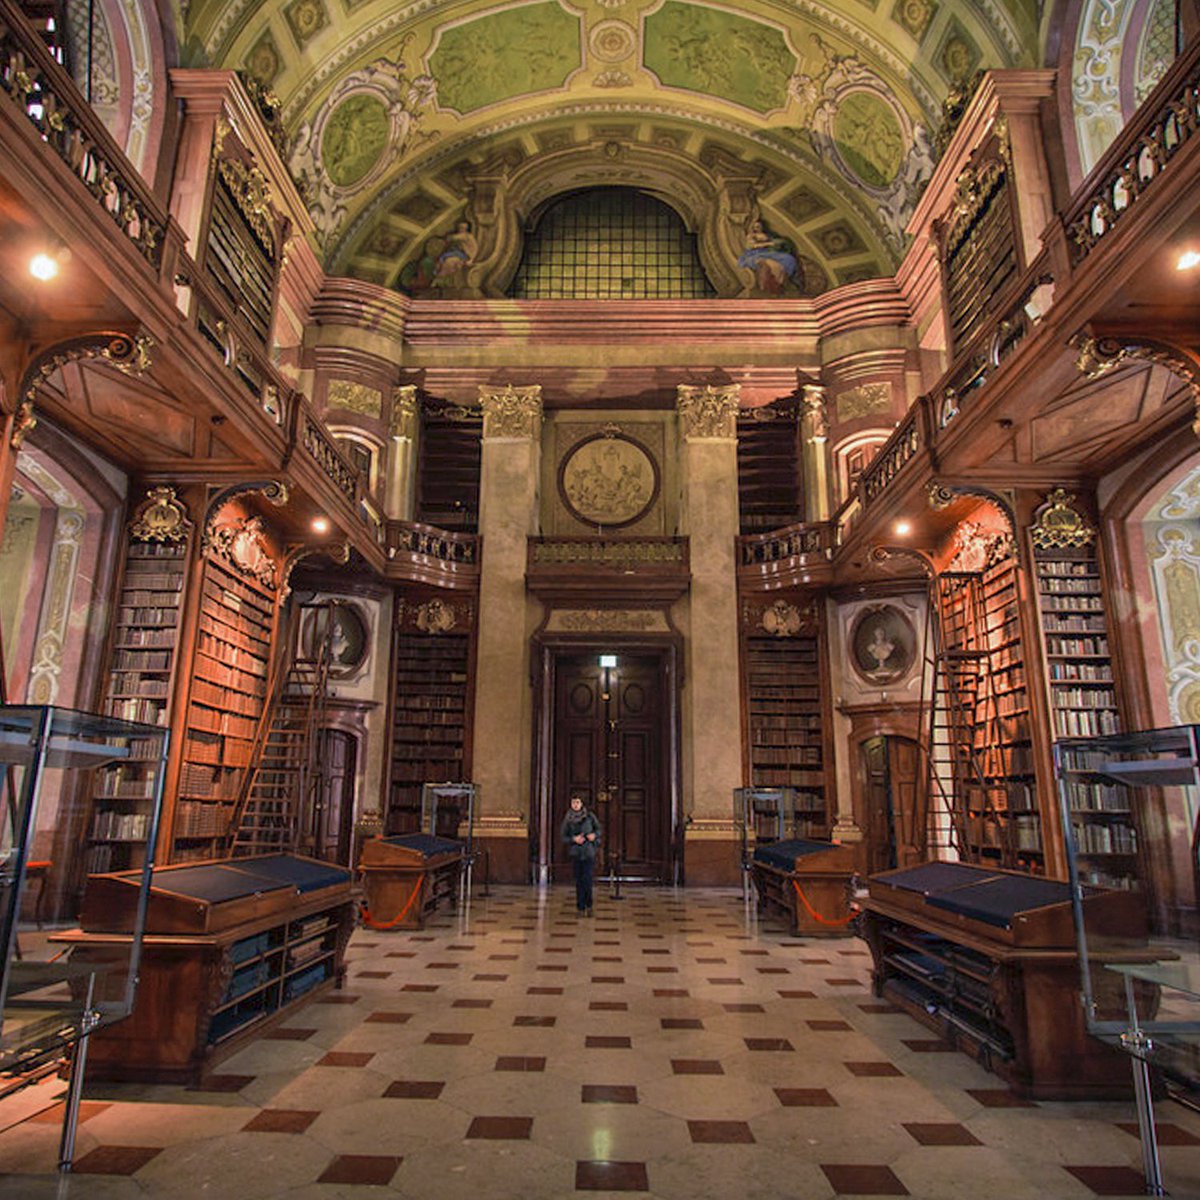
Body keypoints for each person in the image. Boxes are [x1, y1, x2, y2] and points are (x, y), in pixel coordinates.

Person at [560, 794, 601, 915]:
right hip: (576, 852)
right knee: (579, 880)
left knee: (587, 879)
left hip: (588, 851)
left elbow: (598, 829)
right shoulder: (568, 819)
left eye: (577, 802)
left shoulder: (589, 816)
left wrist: (594, 836)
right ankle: (580, 906)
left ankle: (589, 905)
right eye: (573, 803)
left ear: (581, 803)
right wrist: (574, 839)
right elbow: (563, 836)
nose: (575, 805)